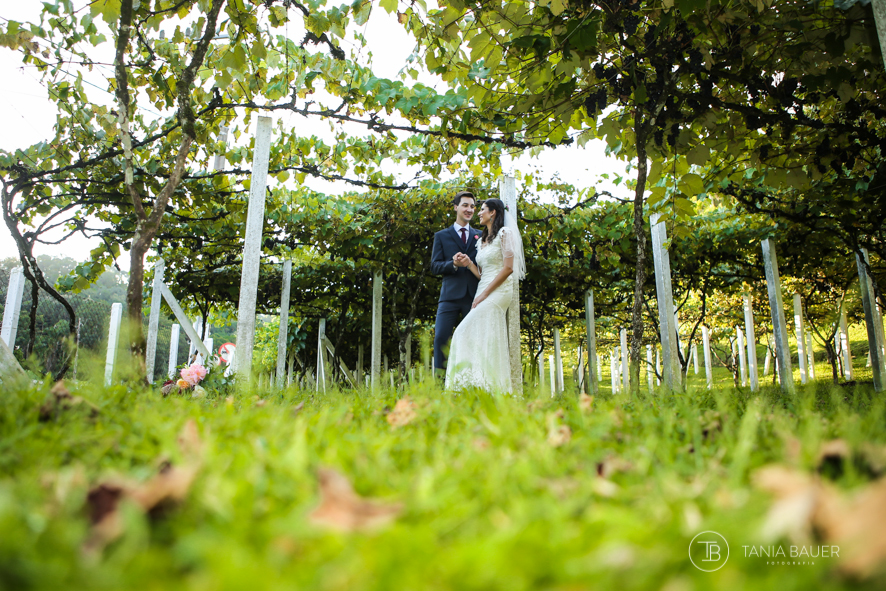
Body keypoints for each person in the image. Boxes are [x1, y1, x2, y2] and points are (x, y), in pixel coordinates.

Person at [445, 197, 526, 394]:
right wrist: (468, 264)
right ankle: (480, 385)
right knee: (483, 335)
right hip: (484, 288)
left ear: (493, 213)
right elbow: (481, 273)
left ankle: (475, 385)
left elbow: (507, 268)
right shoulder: (482, 240)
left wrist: (485, 294)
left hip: (498, 292)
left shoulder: (505, 233)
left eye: (482, 209)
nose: (478, 213)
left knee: (461, 331)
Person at [431, 191, 481, 376]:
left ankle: (472, 379)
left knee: (473, 340)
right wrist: (453, 263)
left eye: (472, 206)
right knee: (441, 338)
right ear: (455, 207)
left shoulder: (481, 235)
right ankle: (439, 382)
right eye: (465, 205)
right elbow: (434, 266)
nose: (469, 209)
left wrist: (469, 264)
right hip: (449, 297)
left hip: (474, 296)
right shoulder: (441, 236)